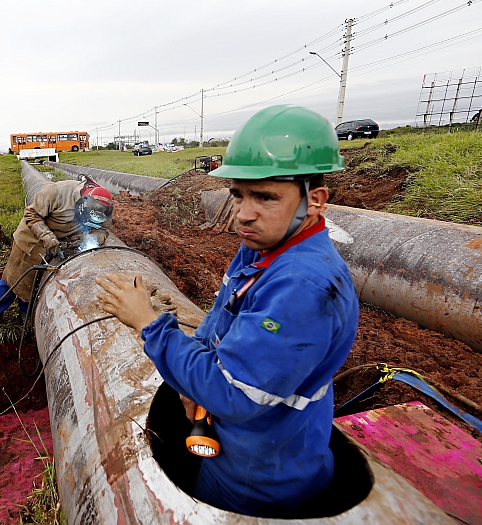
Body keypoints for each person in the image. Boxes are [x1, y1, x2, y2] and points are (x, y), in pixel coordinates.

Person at [96, 105, 359, 517]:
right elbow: (220, 321)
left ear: (315, 201)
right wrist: (190, 388)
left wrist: (150, 323)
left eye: (266, 197)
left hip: (258, 476)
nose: (244, 213)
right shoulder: (262, 247)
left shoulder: (302, 288)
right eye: (238, 194)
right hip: (242, 447)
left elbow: (235, 396)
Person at [0, 177, 114, 335]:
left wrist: (89, 240)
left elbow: (103, 230)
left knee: (35, 283)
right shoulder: (57, 192)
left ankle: (25, 312)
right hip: (32, 240)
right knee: (14, 279)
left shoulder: (104, 207)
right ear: (82, 204)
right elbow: (31, 214)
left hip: (61, 244)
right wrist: (48, 238)